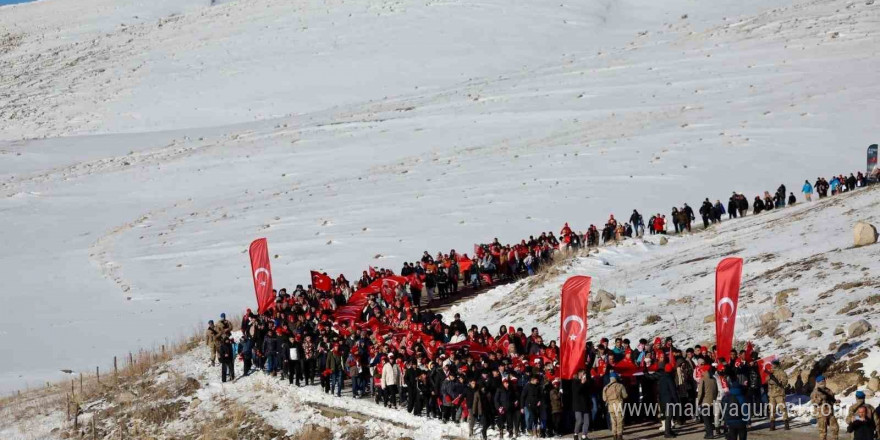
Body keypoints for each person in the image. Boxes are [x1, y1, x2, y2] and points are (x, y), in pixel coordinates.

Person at [811, 375, 840, 440]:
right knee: (823, 433)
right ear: (818, 383)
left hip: (830, 413)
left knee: (835, 429)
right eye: (821, 382)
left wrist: (836, 401)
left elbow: (832, 399)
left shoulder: (828, 390)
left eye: (824, 381)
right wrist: (820, 398)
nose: (823, 383)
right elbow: (814, 403)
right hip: (821, 415)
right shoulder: (815, 392)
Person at [603, 372, 628, 440]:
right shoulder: (620, 386)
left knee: (613, 422)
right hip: (618, 405)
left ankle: (614, 436)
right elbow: (625, 396)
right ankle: (619, 436)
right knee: (619, 421)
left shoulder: (606, 387)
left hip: (611, 406)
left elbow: (604, 398)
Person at [766, 360, 790, 431]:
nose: (772, 365)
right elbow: (766, 380)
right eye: (771, 364)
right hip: (771, 394)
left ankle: (786, 423)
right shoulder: (771, 372)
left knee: (783, 408)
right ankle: (772, 424)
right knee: (771, 410)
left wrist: (776, 382)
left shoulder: (781, 372)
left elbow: (784, 382)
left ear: (776, 365)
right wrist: (768, 378)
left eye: (773, 364)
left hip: (779, 393)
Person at [697, 367, 718, 439]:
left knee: (706, 420)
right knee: (709, 418)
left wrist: (699, 401)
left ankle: (710, 434)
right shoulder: (713, 379)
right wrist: (714, 399)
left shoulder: (703, 379)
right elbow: (716, 390)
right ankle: (708, 433)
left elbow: (700, 392)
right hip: (712, 401)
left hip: (705, 402)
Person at [572, 370, 592, 440]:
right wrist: (582, 383)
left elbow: (589, 391)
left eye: (585, 373)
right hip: (578, 405)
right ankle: (575, 434)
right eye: (583, 373)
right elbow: (577, 391)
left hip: (586, 404)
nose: (584, 375)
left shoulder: (586, 382)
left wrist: (586, 382)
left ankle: (584, 435)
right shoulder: (575, 382)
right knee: (579, 420)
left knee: (587, 421)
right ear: (579, 374)